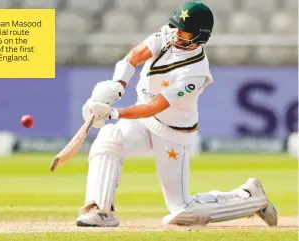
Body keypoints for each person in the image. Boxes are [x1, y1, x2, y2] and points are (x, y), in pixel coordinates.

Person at [77, 1, 278, 227]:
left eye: (184, 33)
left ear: (200, 38)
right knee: (109, 139)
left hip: (173, 134)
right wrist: (117, 85)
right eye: (176, 29)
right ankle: (100, 210)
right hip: (144, 122)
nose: (176, 36)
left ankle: (251, 197)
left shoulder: (195, 72)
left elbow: (156, 105)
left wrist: (114, 112)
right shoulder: (168, 33)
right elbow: (133, 57)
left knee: (181, 212)